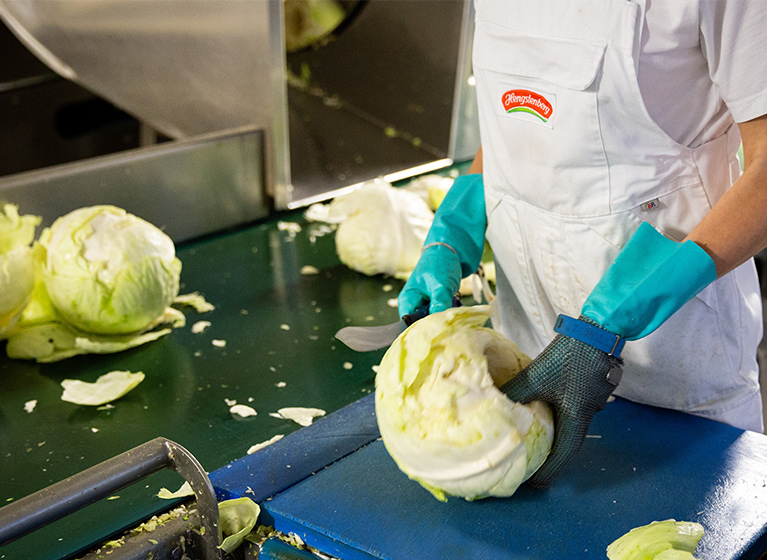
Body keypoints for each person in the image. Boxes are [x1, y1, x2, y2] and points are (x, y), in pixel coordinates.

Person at [399, 0, 767, 487]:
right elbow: (532, 117)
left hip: (675, 378)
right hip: (523, 375)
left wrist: (618, 318)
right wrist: (456, 223)